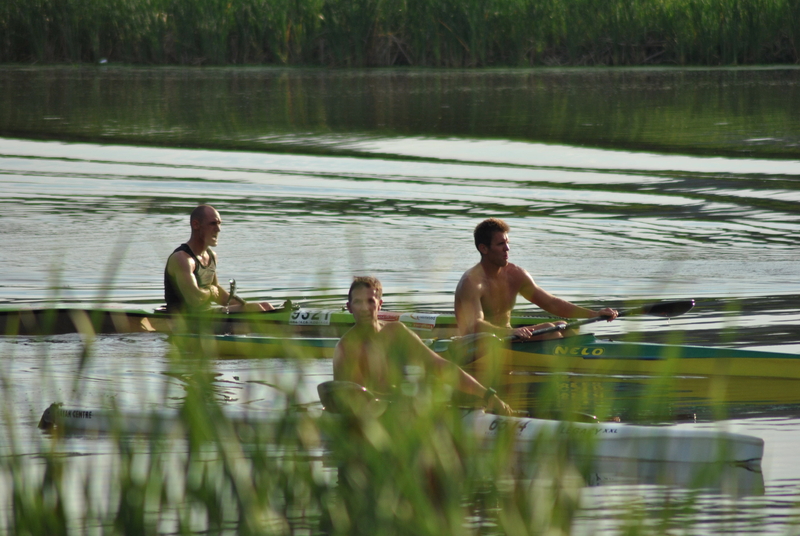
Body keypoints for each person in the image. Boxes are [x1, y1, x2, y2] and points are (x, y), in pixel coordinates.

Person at [333, 276, 513, 415]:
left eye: (370, 301)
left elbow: (439, 366)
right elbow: (341, 400)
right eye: (358, 302)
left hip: (402, 409)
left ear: (379, 305)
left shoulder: (396, 332)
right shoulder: (344, 349)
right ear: (349, 307)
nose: (364, 308)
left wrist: (487, 395)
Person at [455, 218, 618, 340]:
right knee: (549, 329)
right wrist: (511, 332)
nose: (507, 248)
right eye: (500, 244)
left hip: (509, 336)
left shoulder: (515, 274)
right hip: (477, 342)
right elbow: (475, 325)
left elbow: (551, 303)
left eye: (507, 242)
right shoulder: (472, 282)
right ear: (483, 248)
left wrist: (594, 314)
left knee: (564, 326)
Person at [164, 205, 274, 314]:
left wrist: (244, 305)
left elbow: (218, 294)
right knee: (254, 309)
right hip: (185, 319)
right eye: (213, 223)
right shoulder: (182, 259)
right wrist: (210, 292)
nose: (218, 229)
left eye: (219, 224)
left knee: (265, 306)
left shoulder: (211, 256)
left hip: (206, 315)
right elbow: (194, 300)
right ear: (196, 225)